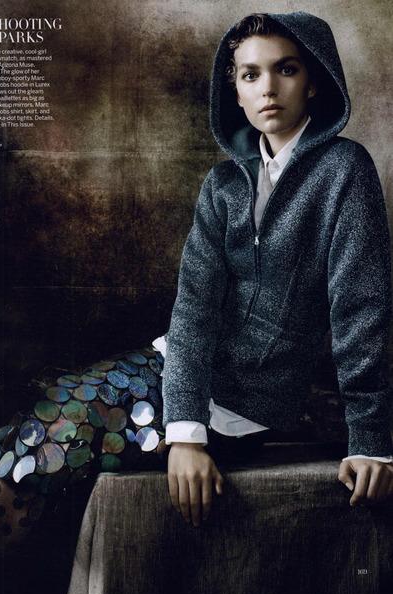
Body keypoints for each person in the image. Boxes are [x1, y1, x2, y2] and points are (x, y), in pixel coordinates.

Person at [161, 11, 393, 528]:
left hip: (246, 407)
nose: (268, 88)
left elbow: (361, 311)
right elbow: (194, 309)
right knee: (31, 434)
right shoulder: (222, 185)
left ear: (313, 82)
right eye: (250, 74)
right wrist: (184, 432)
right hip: (180, 378)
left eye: (286, 69)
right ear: (236, 92)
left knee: (49, 445)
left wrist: (370, 442)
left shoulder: (344, 171)